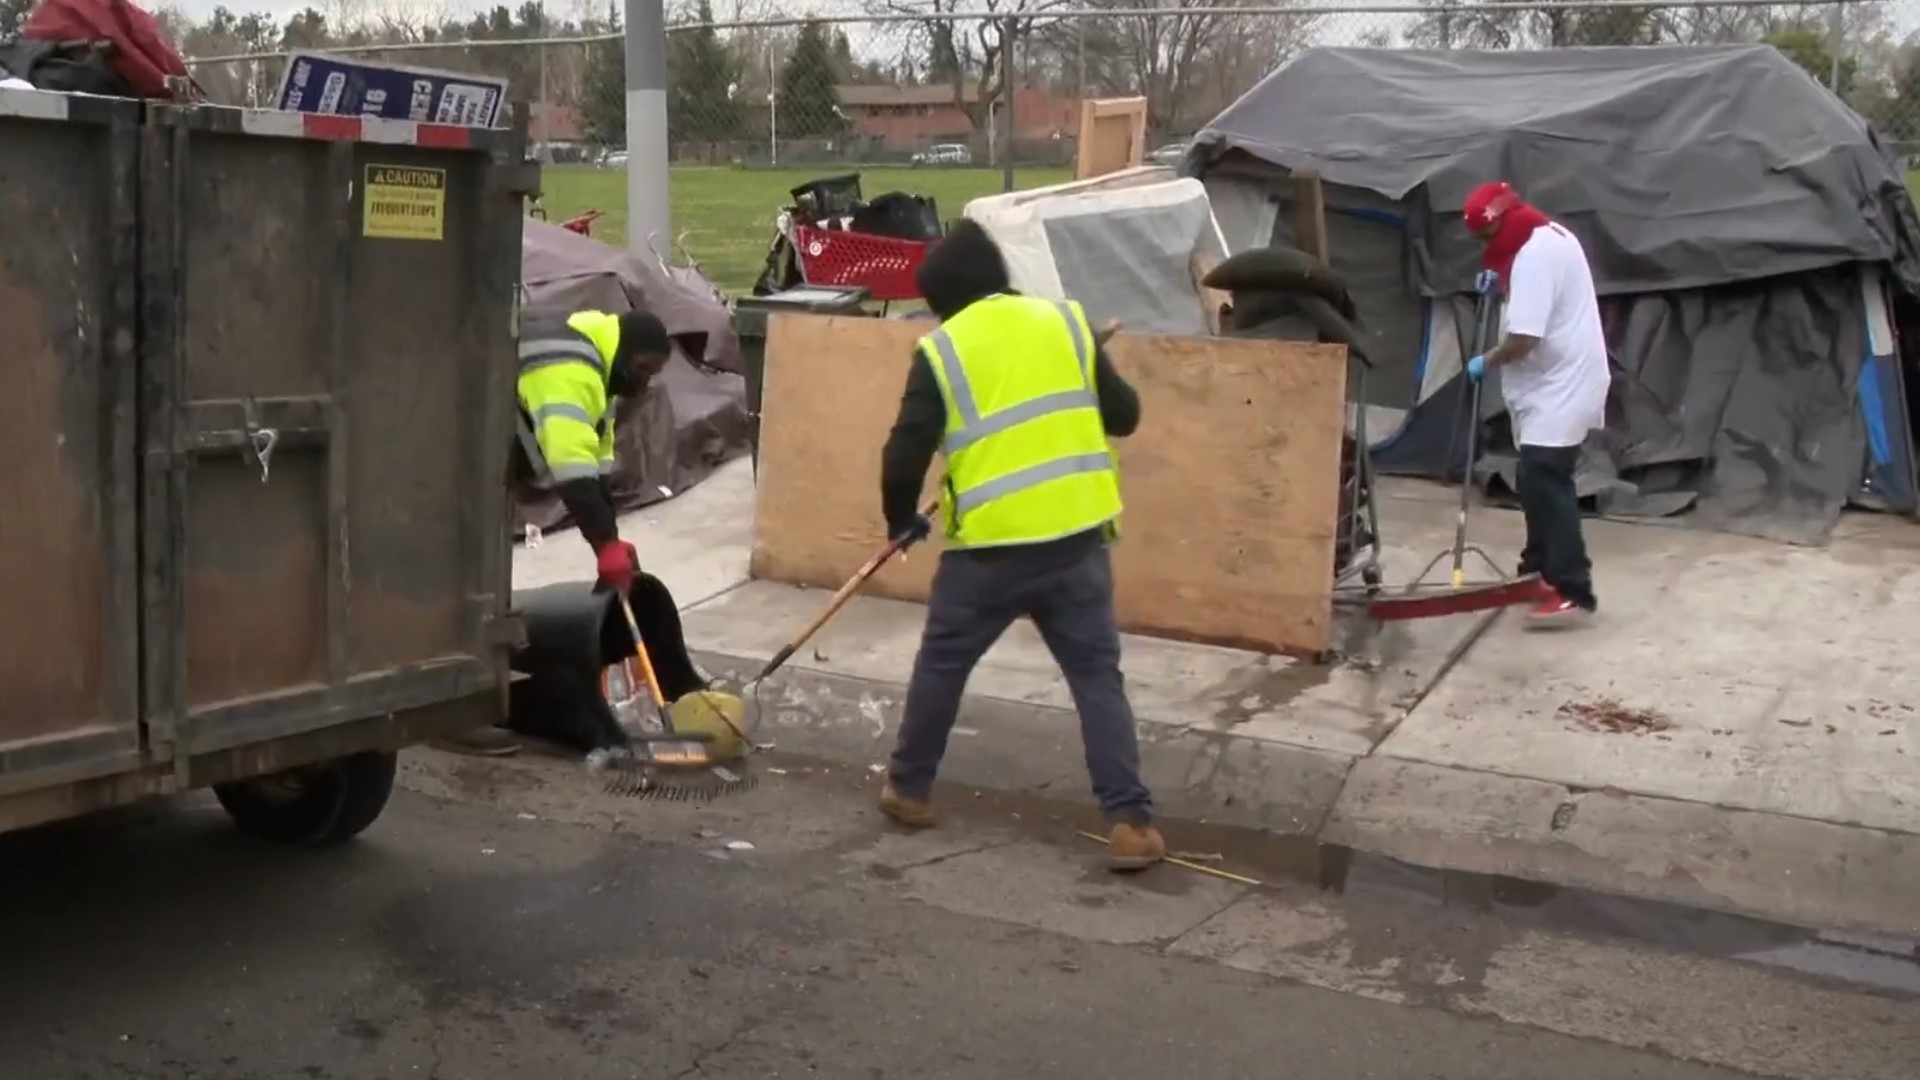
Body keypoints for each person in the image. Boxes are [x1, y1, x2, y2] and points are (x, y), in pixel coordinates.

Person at [874, 219, 1165, 872]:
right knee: (1096, 679)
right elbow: (1125, 418)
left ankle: (907, 788)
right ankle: (1129, 823)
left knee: (943, 666)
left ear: (943, 299)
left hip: (989, 553)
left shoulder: (941, 350)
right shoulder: (1065, 325)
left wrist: (900, 521)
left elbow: (902, 456)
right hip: (1076, 542)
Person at [436, 307, 681, 756]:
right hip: (443, 448)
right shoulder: (571, 369)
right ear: (624, 353)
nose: (643, 383)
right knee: (451, 576)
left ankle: (465, 693)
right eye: (643, 369)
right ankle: (448, 709)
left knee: (475, 576)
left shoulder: (598, 374)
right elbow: (573, 474)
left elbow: (596, 474)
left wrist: (614, 544)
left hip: (474, 458)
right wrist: (603, 545)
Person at [1461, 181, 1608, 628]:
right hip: (1553, 382)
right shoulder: (1547, 234)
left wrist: (1488, 360)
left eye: (1486, 239)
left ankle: (1571, 587)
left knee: (1547, 479)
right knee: (1532, 477)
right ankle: (1537, 567)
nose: (1486, 248)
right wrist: (1501, 285)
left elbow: (1526, 338)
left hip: (1560, 386)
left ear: (1502, 222)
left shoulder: (1533, 257)